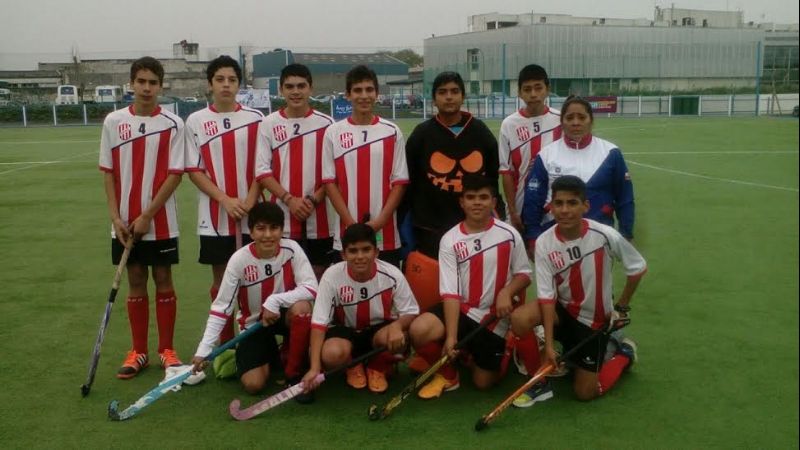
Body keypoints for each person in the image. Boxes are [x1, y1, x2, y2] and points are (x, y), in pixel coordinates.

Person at [511, 175, 645, 403]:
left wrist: (621, 307)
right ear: (551, 207)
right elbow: (546, 297)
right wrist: (550, 346)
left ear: (585, 205)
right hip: (562, 311)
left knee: (585, 393)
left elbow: (637, 268)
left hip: (593, 320)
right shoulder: (544, 242)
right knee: (520, 318)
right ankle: (539, 381)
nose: (564, 210)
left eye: (572, 203)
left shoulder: (604, 235)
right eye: (559, 203)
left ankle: (623, 353)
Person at [409, 174, 532, 399]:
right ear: (462, 202)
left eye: (483, 197)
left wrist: (507, 291)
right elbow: (451, 292)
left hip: (494, 320)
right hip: (463, 311)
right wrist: (451, 336)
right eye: (471, 197)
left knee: (483, 383)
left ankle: (504, 349)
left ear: (493, 202)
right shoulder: (450, 239)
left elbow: (524, 274)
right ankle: (449, 375)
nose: (477, 202)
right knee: (419, 330)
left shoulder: (509, 234)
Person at [99, 56, 185, 379]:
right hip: (123, 224)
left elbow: (176, 175)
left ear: (161, 86)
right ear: (132, 84)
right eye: (141, 82)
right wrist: (115, 218)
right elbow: (107, 173)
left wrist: (148, 214)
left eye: (153, 82)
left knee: (163, 279)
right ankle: (139, 351)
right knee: (135, 280)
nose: (147, 88)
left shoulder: (174, 124)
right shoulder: (113, 122)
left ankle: (167, 350)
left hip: (161, 222)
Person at [191, 202, 318, 399]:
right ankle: (274, 354)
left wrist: (275, 301)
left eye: (274, 228)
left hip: (284, 317)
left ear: (281, 230)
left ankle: (294, 375)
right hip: (254, 325)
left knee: (302, 307)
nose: (268, 235)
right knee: (253, 385)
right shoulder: (239, 260)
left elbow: (311, 288)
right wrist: (203, 349)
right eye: (261, 228)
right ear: (251, 232)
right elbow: (221, 307)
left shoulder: (292, 249)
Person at [402, 71, 505, 312]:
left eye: (454, 91)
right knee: (431, 291)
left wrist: (498, 215)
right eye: (442, 92)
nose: (449, 97)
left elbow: (492, 183)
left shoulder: (480, 133)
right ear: (434, 98)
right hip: (430, 227)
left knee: (473, 290)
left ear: (463, 96)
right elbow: (409, 182)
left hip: (472, 228)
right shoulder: (422, 134)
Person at [185, 55, 265, 345]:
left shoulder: (256, 119)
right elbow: (194, 170)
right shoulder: (196, 121)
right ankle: (225, 344)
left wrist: (250, 200)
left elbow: (263, 166)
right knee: (221, 283)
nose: (226, 85)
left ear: (239, 84)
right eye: (220, 79)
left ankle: (251, 342)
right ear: (210, 84)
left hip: (251, 214)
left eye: (232, 80)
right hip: (214, 217)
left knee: (253, 279)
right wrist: (225, 200)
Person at [302, 223, 419, 394]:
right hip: (346, 333)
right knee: (331, 354)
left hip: (378, 331)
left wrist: (396, 326)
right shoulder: (331, 276)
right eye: (353, 251)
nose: (360, 256)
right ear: (343, 254)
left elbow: (411, 311)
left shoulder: (392, 274)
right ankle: (352, 365)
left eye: (366, 249)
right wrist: (314, 368)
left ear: (376, 252)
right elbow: (319, 324)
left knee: (401, 337)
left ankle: (377, 367)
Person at [321, 65, 409, 268]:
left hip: (385, 235)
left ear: (376, 94)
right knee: (346, 293)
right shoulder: (333, 132)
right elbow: (329, 182)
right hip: (346, 231)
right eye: (358, 90)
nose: (364, 95)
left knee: (386, 294)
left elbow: (399, 182)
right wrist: (351, 224)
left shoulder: (392, 131)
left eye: (369, 90)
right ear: (348, 95)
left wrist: (378, 223)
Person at [522, 95, 635, 250]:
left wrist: (626, 233)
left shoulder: (611, 153)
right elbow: (533, 199)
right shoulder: (546, 155)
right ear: (562, 122)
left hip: (600, 237)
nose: (576, 122)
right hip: (554, 237)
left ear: (591, 120)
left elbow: (625, 197)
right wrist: (533, 236)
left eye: (582, 117)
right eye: (570, 118)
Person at [257, 64, 334, 280]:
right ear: (281, 90)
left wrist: (312, 200)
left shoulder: (327, 124)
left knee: (320, 276)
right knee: (285, 278)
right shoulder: (268, 123)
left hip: (320, 217)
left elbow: (334, 173)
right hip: (282, 217)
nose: (296, 91)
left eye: (301, 86)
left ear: (310, 88)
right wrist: (290, 200)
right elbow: (262, 171)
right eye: (289, 86)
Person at [499, 64, 562, 233]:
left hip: (555, 206)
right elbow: (506, 172)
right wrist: (512, 211)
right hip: (521, 204)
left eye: (538, 88)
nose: (533, 94)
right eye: (527, 89)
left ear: (547, 89)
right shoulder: (509, 124)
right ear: (519, 92)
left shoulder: (560, 121)